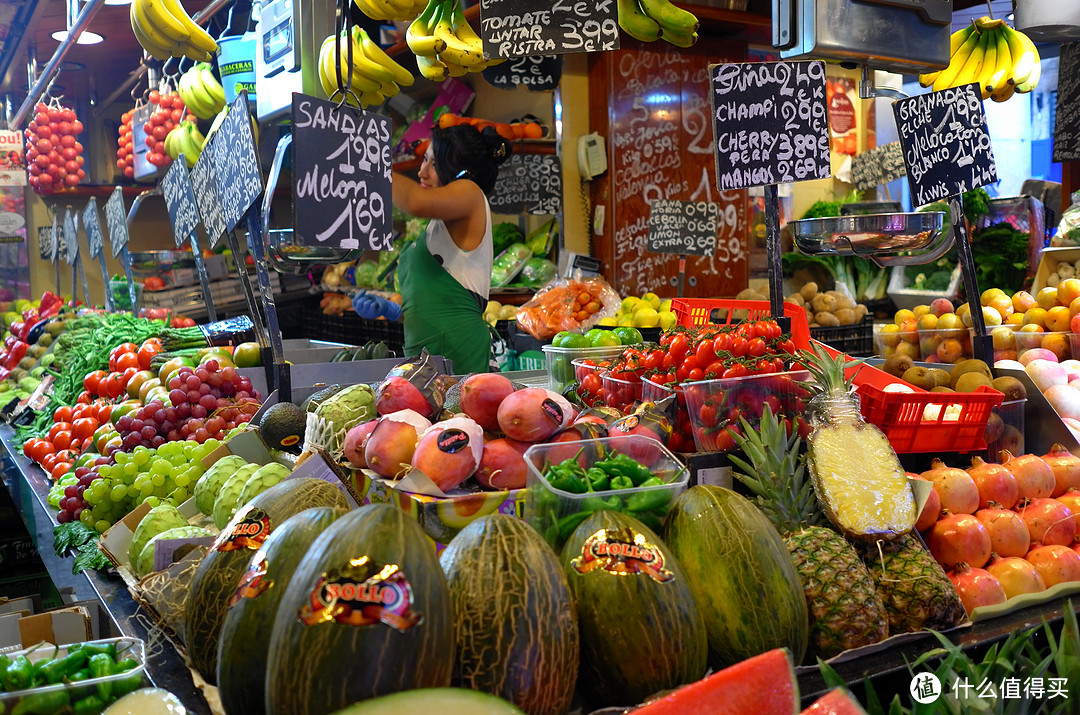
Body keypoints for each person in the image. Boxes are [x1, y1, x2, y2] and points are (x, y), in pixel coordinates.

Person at [374, 123, 512, 374]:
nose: (421, 172)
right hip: (428, 353)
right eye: (424, 160)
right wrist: (396, 311)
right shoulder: (439, 224)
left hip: (457, 350)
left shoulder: (470, 193)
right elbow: (436, 300)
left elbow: (415, 201)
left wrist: (371, 163)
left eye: (434, 164)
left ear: (461, 172)